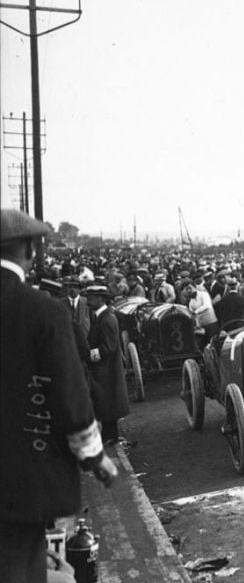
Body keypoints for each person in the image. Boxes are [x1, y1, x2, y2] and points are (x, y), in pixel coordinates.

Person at [1, 209, 117, 583]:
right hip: (20, 481)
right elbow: (69, 398)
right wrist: (95, 458)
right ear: (31, 250)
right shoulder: (43, 312)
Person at [84, 285, 131, 444]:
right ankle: (109, 436)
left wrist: (88, 355)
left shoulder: (106, 319)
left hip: (107, 369)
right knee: (105, 403)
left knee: (107, 403)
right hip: (104, 369)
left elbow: (108, 348)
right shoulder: (101, 317)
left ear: (102, 299)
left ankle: (110, 437)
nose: (88, 300)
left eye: (92, 297)